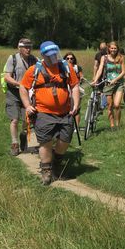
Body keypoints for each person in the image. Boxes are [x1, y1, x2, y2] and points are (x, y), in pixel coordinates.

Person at [19, 41, 80, 185]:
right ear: (44, 56)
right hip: (43, 113)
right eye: (51, 55)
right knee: (45, 142)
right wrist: (27, 105)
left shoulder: (66, 67)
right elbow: (23, 87)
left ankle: (57, 161)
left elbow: (75, 86)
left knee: (65, 140)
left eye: (55, 54)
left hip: (65, 113)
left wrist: (76, 104)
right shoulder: (35, 70)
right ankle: (46, 170)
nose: (54, 58)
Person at [4, 38, 38, 156]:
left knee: (27, 120)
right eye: (25, 47)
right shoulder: (12, 59)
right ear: (19, 48)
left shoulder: (34, 60)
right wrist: (19, 84)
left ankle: (23, 139)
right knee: (14, 119)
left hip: (27, 94)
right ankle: (14, 144)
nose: (28, 49)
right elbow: (7, 77)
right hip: (13, 93)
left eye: (30, 47)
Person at [93, 41, 125, 130]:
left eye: (115, 48)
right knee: (110, 105)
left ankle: (118, 124)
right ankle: (112, 125)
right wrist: (95, 80)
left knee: (117, 104)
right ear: (109, 49)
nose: (113, 50)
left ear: (117, 49)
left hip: (119, 83)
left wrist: (115, 80)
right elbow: (100, 70)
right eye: (112, 48)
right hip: (107, 83)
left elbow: (123, 72)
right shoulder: (104, 58)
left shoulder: (121, 58)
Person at [63, 52, 84, 130]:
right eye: (67, 58)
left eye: (71, 58)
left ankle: (76, 127)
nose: (69, 60)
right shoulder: (62, 67)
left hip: (76, 89)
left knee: (77, 108)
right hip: (66, 90)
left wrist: (81, 79)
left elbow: (81, 76)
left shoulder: (77, 67)